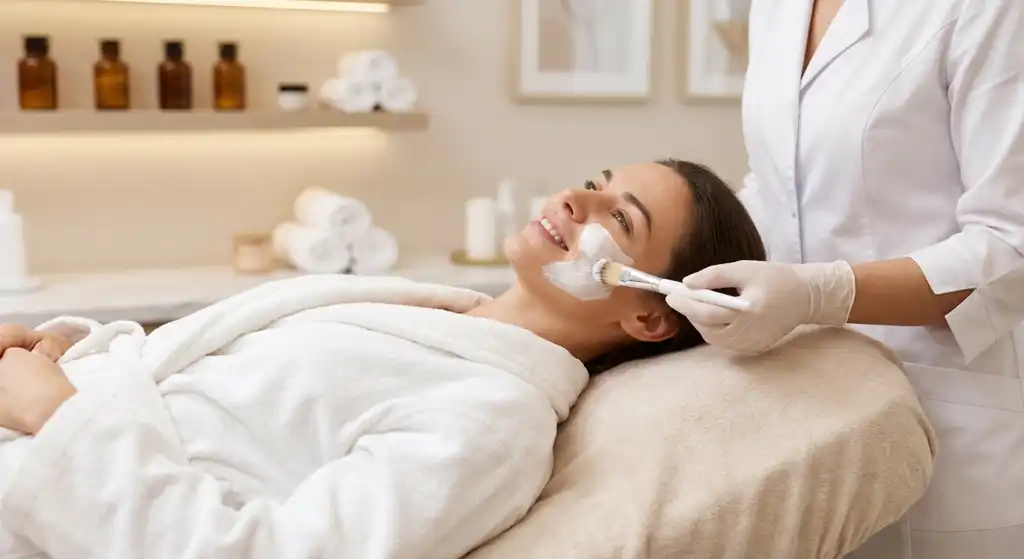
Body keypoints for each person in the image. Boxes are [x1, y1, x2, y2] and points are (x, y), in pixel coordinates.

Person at [0, 158, 766, 559]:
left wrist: (59, 415)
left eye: (618, 218)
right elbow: (218, 387)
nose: (574, 199)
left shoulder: (492, 423)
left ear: (647, 314)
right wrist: (66, 355)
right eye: (597, 183)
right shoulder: (429, 310)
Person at [665, 1, 1024, 558]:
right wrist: (679, 257)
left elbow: (1011, 245)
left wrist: (821, 293)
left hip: (947, 419)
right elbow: (780, 184)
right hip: (809, 412)